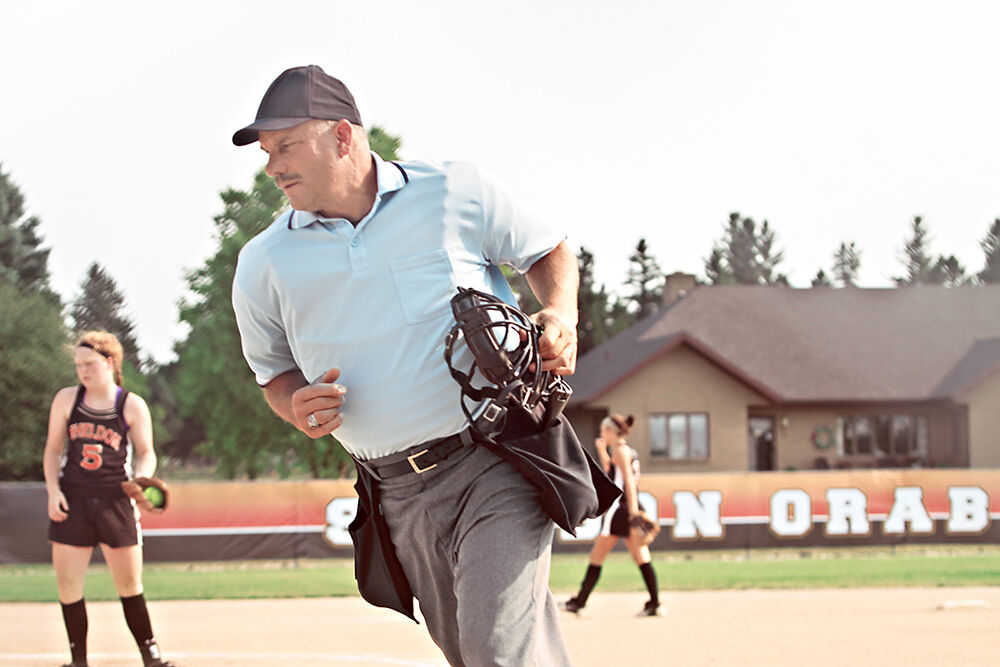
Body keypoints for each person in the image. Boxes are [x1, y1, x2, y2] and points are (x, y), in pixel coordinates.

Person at [230, 65, 616, 666]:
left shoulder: (454, 190)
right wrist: (294, 406)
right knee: (470, 653)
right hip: (395, 492)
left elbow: (547, 249)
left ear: (341, 136)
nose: (271, 165)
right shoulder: (264, 263)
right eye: (266, 152)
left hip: (494, 458)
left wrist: (560, 313)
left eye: (285, 146)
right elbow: (274, 375)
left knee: (496, 647)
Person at [43, 331, 173, 667]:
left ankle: (152, 657)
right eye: (78, 365)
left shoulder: (130, 404)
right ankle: (78, 660)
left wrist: (141, 481)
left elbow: (146, 452)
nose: (82, 370)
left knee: (130, 583)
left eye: (89, 363)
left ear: (109, 362)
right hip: (74, 498)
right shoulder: (66, 399)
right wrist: (53, 492)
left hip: (116, 500)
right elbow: (53, 449)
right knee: (68, 584)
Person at [561, 414, 662, 616]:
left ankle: (579, 602)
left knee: (597, 555)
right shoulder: (626, 450)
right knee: (640, 555)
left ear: (609, 431)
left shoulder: (620, 451)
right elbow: (612, 472)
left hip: (620, 509)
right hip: (628, 507)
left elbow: (629, 485)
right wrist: (601, 451)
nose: (601, 434)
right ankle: (655, 603)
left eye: (602, 430)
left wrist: (633, 514)